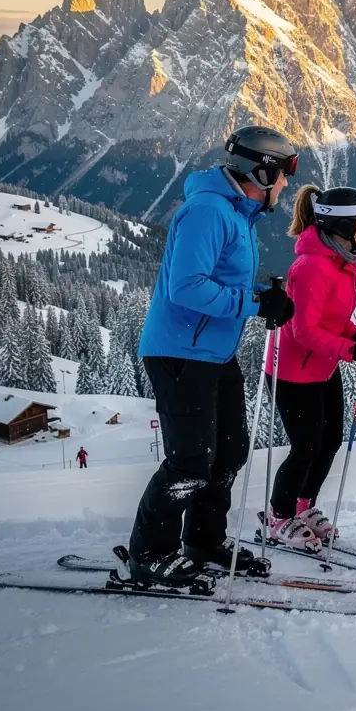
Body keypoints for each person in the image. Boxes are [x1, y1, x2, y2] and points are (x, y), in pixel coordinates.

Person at [126, 125, 298, 587]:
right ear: (261, 173)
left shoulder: (235, 214)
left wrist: (262, 295)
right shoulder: (207, 211)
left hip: (212, 352)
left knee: (227, 453)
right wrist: (255, 304)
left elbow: (220, 280)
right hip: (180, 352)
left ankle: (203, 541)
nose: (286, 185)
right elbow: (187, 288)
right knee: (189, 461)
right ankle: (149, 554)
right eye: (283, 174)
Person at [262, 185, 356, 552]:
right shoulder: (313, 266)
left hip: (322, 368)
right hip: (292, 372)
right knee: (305, 446)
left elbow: (335, 318)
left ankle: (303, 505)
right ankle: (278, 515)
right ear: (344, 224)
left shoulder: (341, 261)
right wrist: (352, 350)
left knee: (328, 441)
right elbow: (304, 330)